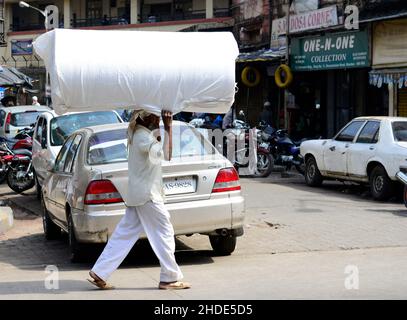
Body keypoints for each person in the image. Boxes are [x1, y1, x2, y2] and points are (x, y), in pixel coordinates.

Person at [88, 109, 191, 290]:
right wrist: (168, 127)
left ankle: (99, 271)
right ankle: (169, 278)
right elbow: (166, 155)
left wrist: (160, 132)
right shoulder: (143, 137)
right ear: (148, 118)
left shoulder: (139, 135)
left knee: (123, 235)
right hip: (147, 196)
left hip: (140, 196)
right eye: (156, 116)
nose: (159, 119)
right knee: (164, 232)